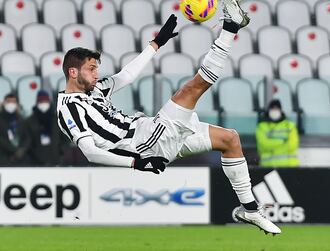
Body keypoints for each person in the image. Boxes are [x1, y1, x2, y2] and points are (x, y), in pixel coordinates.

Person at [57, 0, 281, 234]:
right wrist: (136, 163)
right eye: (91, 69)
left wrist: (156, 44)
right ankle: (231, 27)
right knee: (191, 89)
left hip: (149, 132)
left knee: (230, 140)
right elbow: (91, 152)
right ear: (73, 72)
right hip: (143, 144)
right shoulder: (68, 108)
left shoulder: (95, 90)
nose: (96, 74)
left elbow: (126, 76)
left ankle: (250, 210)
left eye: (96, 68)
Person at [22, 90, 69, 166]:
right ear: (37, 103)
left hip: (56, 160)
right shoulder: (29, 121)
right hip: (36, 162)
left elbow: (66, 138)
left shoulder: (58, 120)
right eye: (41, 101)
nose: (43, 104)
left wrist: (61, 151)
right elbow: (27, 140)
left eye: (45, 101)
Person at [256, 99, 299, 167]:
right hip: (268, 167)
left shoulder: (290, 126)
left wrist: (272, 145)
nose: (274, 111)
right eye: (273, 109)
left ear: (281, 110)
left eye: (277, 109)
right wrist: (283, 141)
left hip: (290, 167)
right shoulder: (262, 126)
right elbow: (263, 145)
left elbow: (293, 145)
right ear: (269, 110)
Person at [0, 93, 28, 165]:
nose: (11, 104)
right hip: (3, 158)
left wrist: (22, 150)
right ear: (4, 103)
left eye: (13, 102)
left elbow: (27, 137)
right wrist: (14, 150)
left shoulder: (21, 120)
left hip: (20, 159)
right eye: (9, 101)